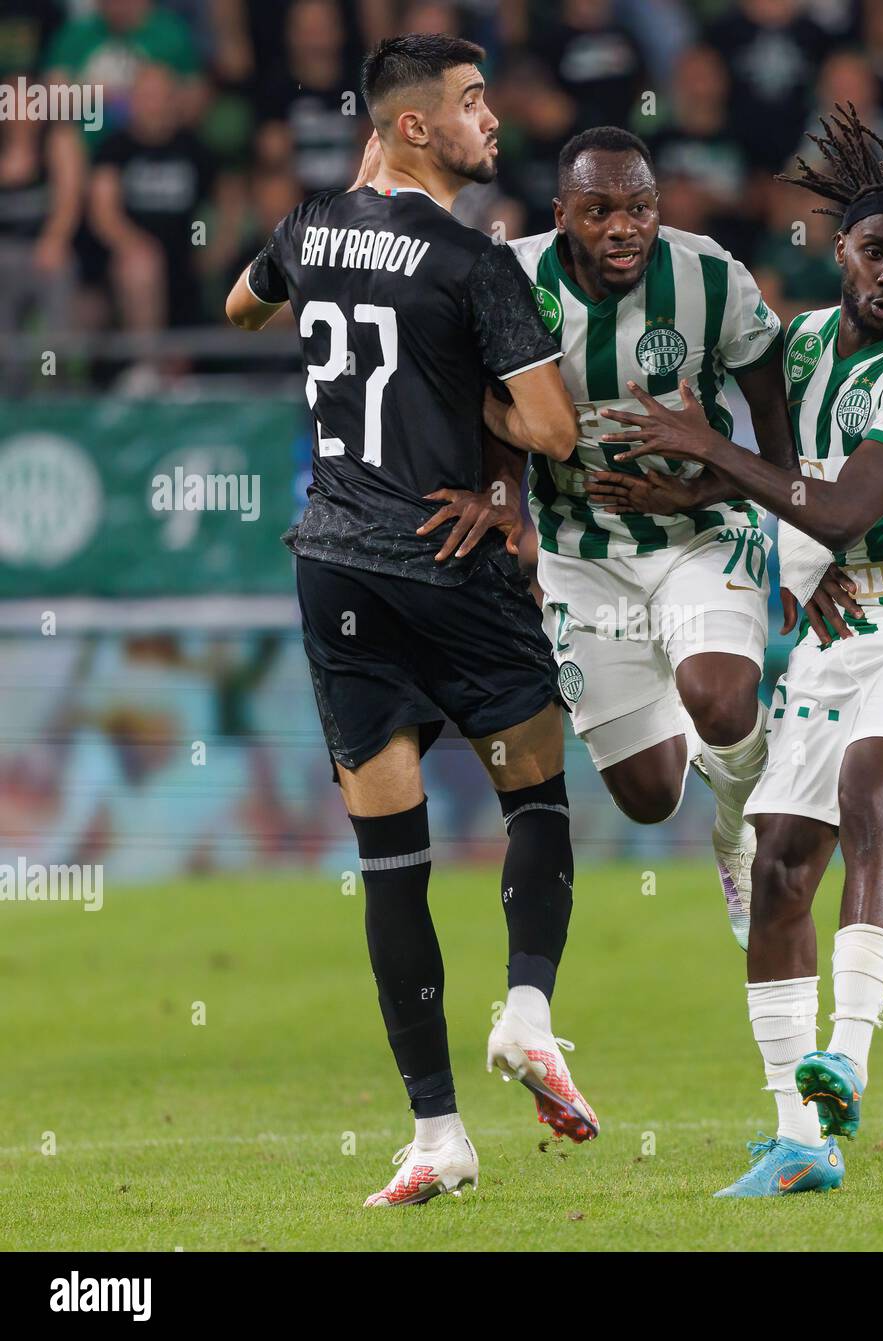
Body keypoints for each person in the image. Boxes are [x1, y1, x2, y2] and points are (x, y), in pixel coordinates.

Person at [592, 105, 883, 1197]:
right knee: (777, 871)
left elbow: (842, 503)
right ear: (840, 252)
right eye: (877, 251)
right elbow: (786, 475)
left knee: (872, 796)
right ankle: (796, 1138)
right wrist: (687, 485)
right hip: (833, 632)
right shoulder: (803, 344)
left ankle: (848, 1060)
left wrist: (706, 444)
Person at [224, 33, 594, 1208]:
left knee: (392, 864)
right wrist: (455, 385)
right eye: (475, 102)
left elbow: (240, 307)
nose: (495, 120)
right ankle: (527, 1013)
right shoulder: (475, 264)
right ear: (415, 126)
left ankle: (435, 1133)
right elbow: (551, 431)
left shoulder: (307, 226)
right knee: (534, 793)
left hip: (333, 565)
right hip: (448, 556)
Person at [507, 125, 799, 950]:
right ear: (562, 214)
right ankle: (710, 745)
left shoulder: (710, 275)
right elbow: (477, 405)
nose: (623, 227)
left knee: (719, 694)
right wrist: (507, 505)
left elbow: (776, 446)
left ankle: (737, 833)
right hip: (582, 555)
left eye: (639, 208)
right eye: (598, 210)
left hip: (700, 531)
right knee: (648, 794)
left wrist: (708, 479)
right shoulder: (514, 279)